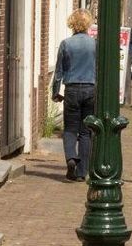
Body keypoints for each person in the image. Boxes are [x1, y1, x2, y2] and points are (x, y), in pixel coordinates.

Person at [51, 9, 96, 181]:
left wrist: (55, 92)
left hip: (71, 90)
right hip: (90, 89)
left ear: (72, 23)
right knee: (85, 132)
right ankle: (81, 172)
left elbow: (58, 72)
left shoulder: (66, 44)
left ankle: (71, 158)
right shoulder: (95, 44)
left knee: (70, 129)